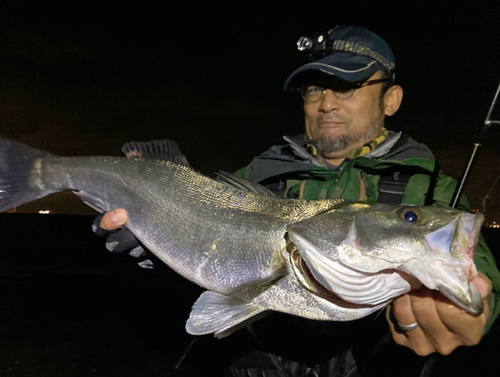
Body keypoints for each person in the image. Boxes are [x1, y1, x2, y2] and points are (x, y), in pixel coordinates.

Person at [95, 25, 500, 376]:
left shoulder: (431, 190)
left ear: (390, 99)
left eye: (346, 85)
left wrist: (474, 310)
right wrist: (154, 234)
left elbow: (481, 279)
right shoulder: (259, 174)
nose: (327, 102)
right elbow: (201, 234)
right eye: (315, 89)